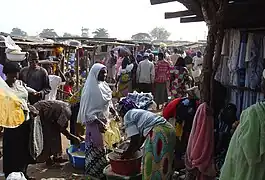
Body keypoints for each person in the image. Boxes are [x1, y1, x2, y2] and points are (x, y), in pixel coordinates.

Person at [78, 63, 119, 179]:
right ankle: (94, 173)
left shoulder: (104, 86)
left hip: (104, 121)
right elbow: (88, 113)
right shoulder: (90, 90)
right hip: (94, 124)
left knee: (105, 146)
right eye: (102, 72)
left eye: (105, 72)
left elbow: (108, 103)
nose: (105, 74)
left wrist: (114, 112)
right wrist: (98, 122)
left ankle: (102, 171)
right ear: (95, 74)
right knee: (96, 146)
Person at [118, 98, 176, 180]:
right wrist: (132, 151)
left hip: (159, 133)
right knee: (164, 164)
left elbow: (135, 140)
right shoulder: (138, 113)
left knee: (151, 164)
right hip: (169, 130)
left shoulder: (128, 115)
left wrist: (127, 154)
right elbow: (139, 141)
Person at [2, 62, 32, 179]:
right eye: (11, 74)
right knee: (11, 149)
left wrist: (30, 107)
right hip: (11, 123)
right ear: (6, 74)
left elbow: (26, 101)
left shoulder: (20, 85)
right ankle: (10, 174)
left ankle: (22, 173)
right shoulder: (4, 89)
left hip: (25, 122)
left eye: (15, 74)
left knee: (24, 149)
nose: (14, 76)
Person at [33, 100, 80, 166]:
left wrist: (73, 136)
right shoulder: (67, 111)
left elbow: (59, 126)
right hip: (38, 112)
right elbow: (60, 128)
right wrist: (71, 136)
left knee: (55, 133)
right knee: (48, 136)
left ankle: (57, 157)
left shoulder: (67, 107)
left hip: (44, 113)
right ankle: (48, 159)